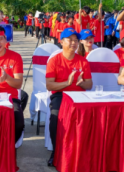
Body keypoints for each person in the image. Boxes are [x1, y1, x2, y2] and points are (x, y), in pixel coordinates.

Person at [45, 27, 93, 166]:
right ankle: (56, 152)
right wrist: (67, 83)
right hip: (60, 95)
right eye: (70, 40)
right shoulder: (54, 61)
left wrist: (82, 83)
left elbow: (89, 84)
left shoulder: (83, 61)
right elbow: (49, 85)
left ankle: (83, 151)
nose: (73, 43)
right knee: (55, 119)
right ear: (61, 42)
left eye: (76, 40)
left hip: (79, 95)